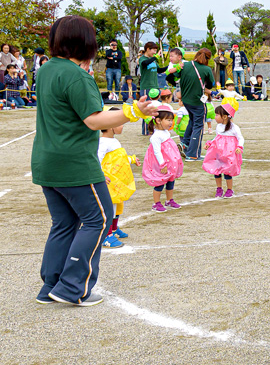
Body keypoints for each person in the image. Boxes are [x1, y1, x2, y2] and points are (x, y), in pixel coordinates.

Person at [33, 15, 158, 306]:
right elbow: (94, 120)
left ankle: (50, 286)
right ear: (86, 43)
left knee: (63, 223)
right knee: (98, 220)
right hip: (75, 163)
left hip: (46, 160)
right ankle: (72, 286)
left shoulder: (48, 69)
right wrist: (133, 112)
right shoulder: (77, 76)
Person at [98, 108, 139, 248]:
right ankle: (106, 236)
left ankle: (114, 229)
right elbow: (96, 159)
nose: (122, 126)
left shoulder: (113, 141)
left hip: (118, 180)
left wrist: (132, 159)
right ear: (110, 125)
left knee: (118, 205)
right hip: (110, 181)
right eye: (120, 123)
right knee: (111, 207)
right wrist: (100, 175)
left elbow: (119, 159)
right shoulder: (103, 143)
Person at [170, 48, 215, 161]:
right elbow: (211, 84)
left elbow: (174, 75)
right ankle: (192, 154)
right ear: (208, 58)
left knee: (192, 120)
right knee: (198, 126)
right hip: (197, 101)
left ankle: (184, 143)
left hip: (186, 100)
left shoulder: (185, 65)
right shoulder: (206, 69)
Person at [142, 105, 183, 211]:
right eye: (168, 120)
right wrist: (162, 164)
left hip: (170, 163)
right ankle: (156, 203)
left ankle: (169, 200)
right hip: (162, 164)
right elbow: (157, 151)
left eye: (171, 120)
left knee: (171, 181)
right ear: (158, 120)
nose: (170, 123)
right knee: (160, 182)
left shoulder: (166, 132)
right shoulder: (156, 136)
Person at [202, 103, 244, 198]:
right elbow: (217, 138)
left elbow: (241, 138)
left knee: (227, 171)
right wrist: (210, 143)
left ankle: (229, 189)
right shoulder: (218, 127)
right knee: (217, 170)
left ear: (224, 117)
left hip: (229, 153)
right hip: (218, 152)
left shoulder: (234, 128)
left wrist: (239, 147)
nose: (215, 117)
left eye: (217, 115)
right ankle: (219, 188)